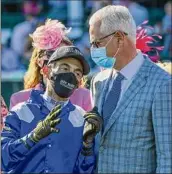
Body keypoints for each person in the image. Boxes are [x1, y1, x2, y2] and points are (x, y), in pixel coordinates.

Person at [89, 5, 172, 173]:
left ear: (119, 37)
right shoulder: (99, 81)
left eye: (97, 43)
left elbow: (167, 158)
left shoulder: (162, 84)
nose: (93, 50)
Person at [1, 46, 102, 173]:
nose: (70, 75)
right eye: (65, 68)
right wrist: (33, 137)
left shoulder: (82, 118)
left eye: (77, 73)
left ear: (78, 83)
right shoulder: (20, 111)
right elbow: (3, 160)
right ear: (47, 70)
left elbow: (85, 171)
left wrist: (87, 148)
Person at [9, 19, 92, 112]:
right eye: (52, 54)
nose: (59, 59)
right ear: (40, 61)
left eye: (66, 56)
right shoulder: (19, 99)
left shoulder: (85, 97)